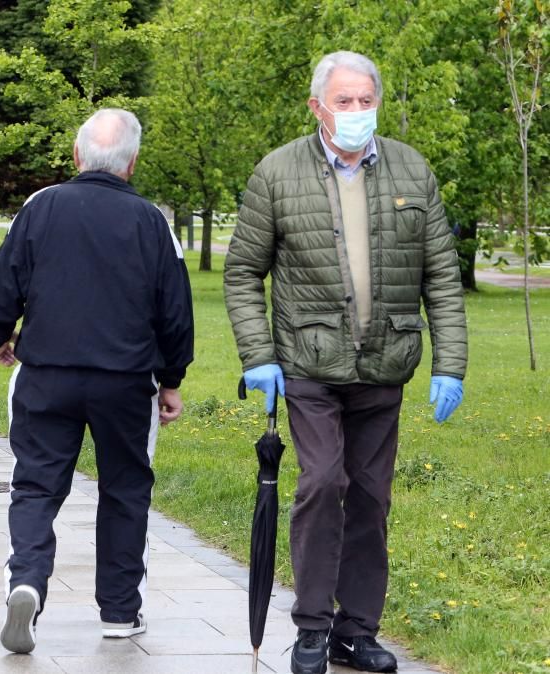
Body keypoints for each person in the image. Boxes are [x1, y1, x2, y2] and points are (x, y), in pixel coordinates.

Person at [223, 51, 467, 674]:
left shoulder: (412, 169)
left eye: (365, 100)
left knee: (369, 497)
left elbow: (441, 274)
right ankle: (310, 626)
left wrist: (451, 363)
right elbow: (244, 272)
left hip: (385, 363)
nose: (357, 112)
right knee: (322, 482)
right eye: (344, 101)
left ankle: (355, 631)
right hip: (309, 363)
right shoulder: (277, 173)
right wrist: (258, 354)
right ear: (317, 107)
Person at [0, 108, 194, 654]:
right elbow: (174, 311)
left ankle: (26, 580)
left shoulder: (40, 208)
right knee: (124, 489)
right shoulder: (151, 222)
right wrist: (171, 379)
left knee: (36, 484)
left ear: (76, 156)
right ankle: (120, 611)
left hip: (47, 373)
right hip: (124, 381)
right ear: (133, 161)